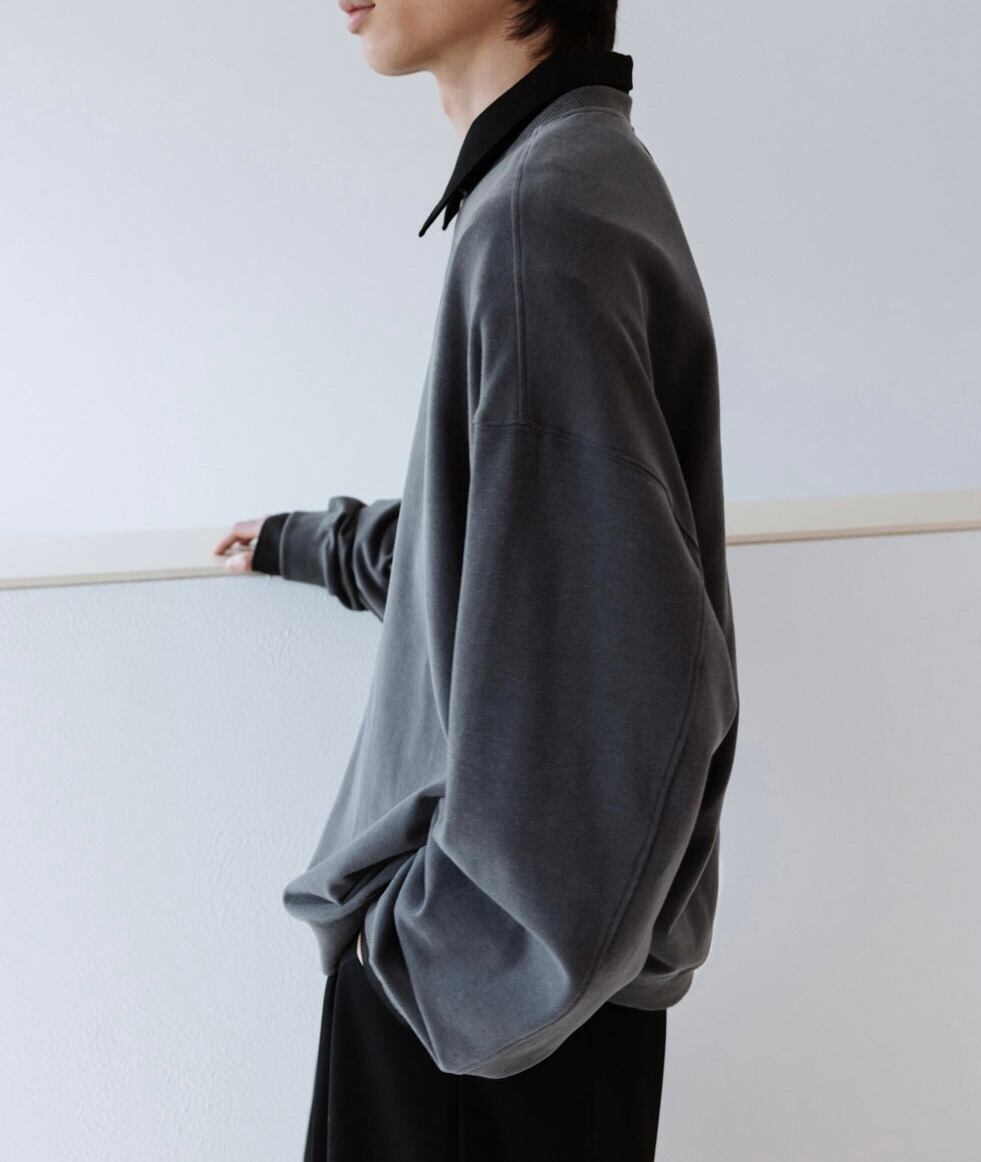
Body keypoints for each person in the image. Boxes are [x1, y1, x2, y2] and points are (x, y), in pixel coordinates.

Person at [214, 1, 740, 1158]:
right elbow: (518, 540)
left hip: (484, 1021)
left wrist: (460, 958)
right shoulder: (576, 173)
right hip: (525, 1005)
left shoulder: (540, 218)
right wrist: (320, 543)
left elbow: (633, 657)